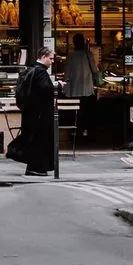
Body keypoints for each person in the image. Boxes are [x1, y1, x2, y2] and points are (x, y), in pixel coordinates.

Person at [15, 47, 61, 176]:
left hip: (32, 113)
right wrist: (58, 87)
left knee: (35, 140)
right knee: (41, 141)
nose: (52, 62)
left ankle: (35, 168)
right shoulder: (40, 71)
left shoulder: (32, 68)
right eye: (51, 58)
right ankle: (36, 168)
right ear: (43, 57)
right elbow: (46, 90)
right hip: (40, 114)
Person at [64, 32, 99, 139]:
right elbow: (94, 70)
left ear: (74, 43)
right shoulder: (88, 54)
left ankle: (74, 130)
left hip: (73, 89)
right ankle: (85, 130)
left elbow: (67, 73)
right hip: (86, 88)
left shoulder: (70, 55)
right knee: (85, 110)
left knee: (74, 111)